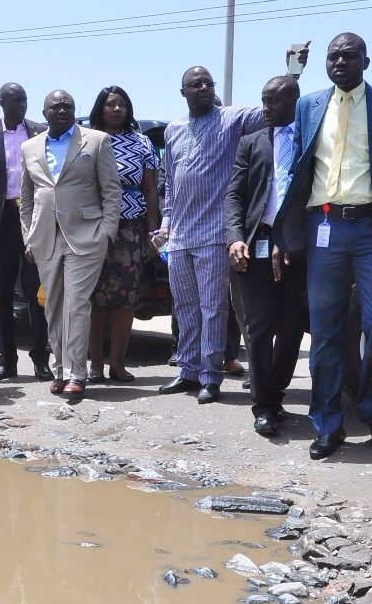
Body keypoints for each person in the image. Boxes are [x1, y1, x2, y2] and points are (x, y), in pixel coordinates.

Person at [156, 50, 305, 405]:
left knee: (213, 310)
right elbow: (172, 183)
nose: (204, 88)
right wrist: (166, 224)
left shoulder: (231, 119)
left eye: (208, 83)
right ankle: (188, 371)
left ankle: (210, 376)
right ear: (183, 91)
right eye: (197, 84)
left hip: (214, 235)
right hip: (180, 238)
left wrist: (293, 71)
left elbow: (279, 103)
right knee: (185, 308)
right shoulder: (174, 129)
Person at [275, 33, 372, 459]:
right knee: (327, 334)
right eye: (334, 56)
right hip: (324, 226)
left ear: (365, 62)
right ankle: (328, 425)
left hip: (368, 227)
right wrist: (284, 232)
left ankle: (367, 410)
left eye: (349, 56)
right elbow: (295, 169)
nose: (339, 62)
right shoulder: (309, 105)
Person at [20, 90, 121, 399]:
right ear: (44, 112)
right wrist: (28, 235)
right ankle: (60, 370)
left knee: (77, 304)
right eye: (56, 106)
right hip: (45, 238)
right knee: (53, 305)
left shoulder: (96, 140)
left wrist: (107, 232)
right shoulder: (29, 147)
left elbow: (111, 190)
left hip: (87, 236)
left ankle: (78, 373)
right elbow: (26, 199)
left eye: (68, 106)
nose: (62, 109)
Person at [226, 75, 307, 439]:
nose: (266, 108)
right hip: (256, 243)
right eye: (263, 100)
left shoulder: (311, 139)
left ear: (295, 101)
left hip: (298, 245)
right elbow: (234, 197)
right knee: (258, 328)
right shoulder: (251, 143)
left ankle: (275, 390)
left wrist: (286, 237)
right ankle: (265, 405)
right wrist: (234, 238)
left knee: (291, 328)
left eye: (274, 101)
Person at [0, 82, 52, 381]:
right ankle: (7, 360)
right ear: (1, 102)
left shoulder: (40, 132)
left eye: (24, 100)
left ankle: (41, 359)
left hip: (34, 217)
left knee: (36, 292)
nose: (21, 105)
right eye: (15, 100)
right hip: (3, 219)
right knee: (3, 293)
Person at [84, 86, 160, 383]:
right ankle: (94, 365)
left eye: (122, 105)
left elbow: (151, 190)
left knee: (124, 298)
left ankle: (117, 363)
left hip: (131, 228)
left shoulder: (141, 142)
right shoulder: (86, 140)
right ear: (100, 109)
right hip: (92, 226)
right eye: (110, 104)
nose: (117, 110)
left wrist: (153, 231)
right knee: (92, 297)